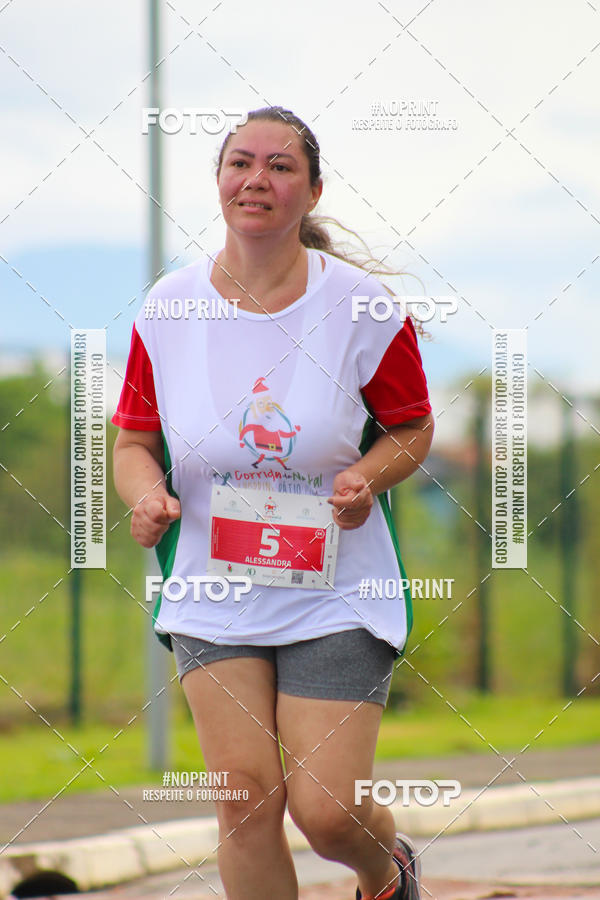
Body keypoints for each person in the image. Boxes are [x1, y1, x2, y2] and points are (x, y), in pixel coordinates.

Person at [112, 106, 434, 900]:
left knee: (328, 815)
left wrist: (368, 478)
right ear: (219, 181)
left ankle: (386, 873)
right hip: (214, 587)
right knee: (245, 803)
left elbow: (413, 427)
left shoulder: (361, 307)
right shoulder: (170, 306)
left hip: (335, 589)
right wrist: (146, 496)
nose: (258, 179)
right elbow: (132, 442)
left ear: (313, 191)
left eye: (282, 167)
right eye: (241, 163)